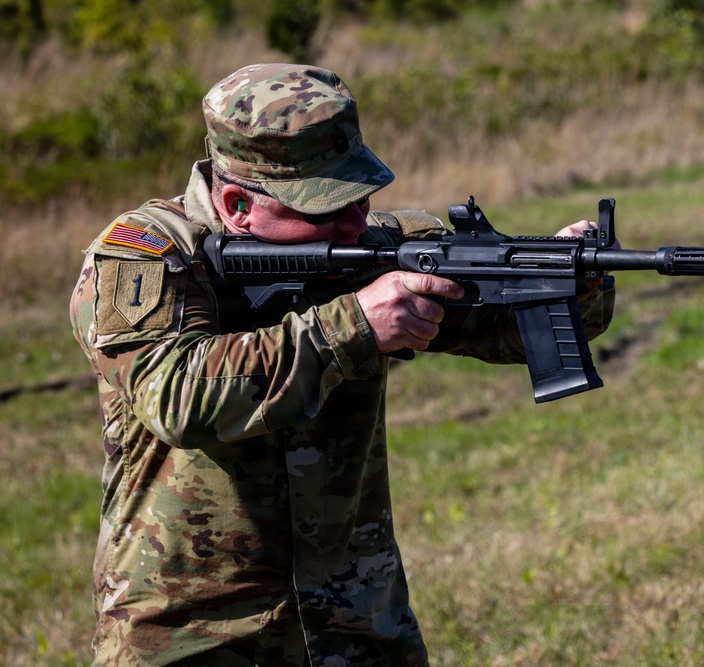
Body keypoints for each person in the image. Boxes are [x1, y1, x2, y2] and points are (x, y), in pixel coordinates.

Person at [69, 63, 615, 666]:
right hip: (197, 636)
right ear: (236, 205)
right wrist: (354, 323)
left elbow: (508, 329)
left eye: (361, 197)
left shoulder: (376, 248)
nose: (357, 224)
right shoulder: (143, 258)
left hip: (357, 624)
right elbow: (180, 396)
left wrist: (560, 278)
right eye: (324, 209)